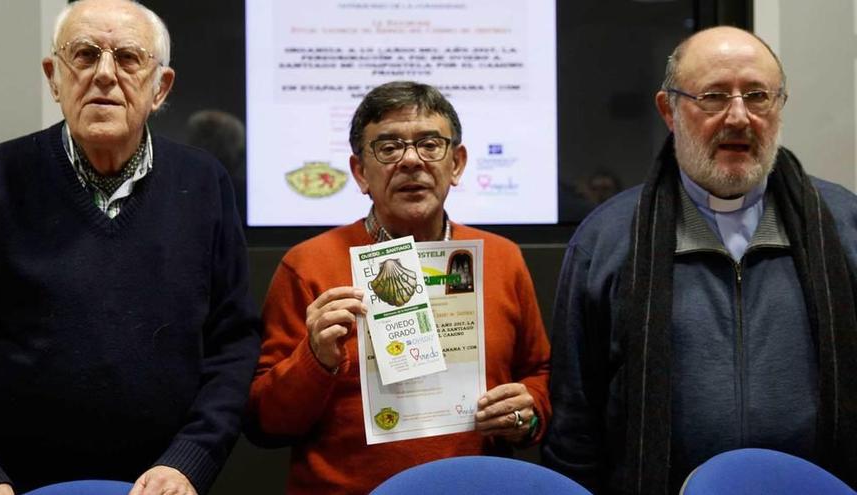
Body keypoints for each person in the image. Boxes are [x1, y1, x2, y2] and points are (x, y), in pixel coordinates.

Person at [542, 26, 857, 494]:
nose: (739, 117)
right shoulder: (606, 239)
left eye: (758, 96)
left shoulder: (844, 223)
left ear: (780, 106)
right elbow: (576, 421)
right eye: (713, 96)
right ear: (669, 110)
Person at [0, 1, 260, 494]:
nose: (105, 75)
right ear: (54, 77)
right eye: (84, 55)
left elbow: (232, 343)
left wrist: (190, 460)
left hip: (164, 485)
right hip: (14, 487)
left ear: (160, 87)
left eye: (128, 58)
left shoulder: (205, 183)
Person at [249, 81, 551, 494]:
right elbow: (264, 424)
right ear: (359, 173)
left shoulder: (502, 258)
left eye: (430, 144)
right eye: (388, 148)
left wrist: (527, 415)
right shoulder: (307, 266)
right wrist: (315, 358)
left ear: (457, 164)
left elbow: (537, 375)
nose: (411, 161)